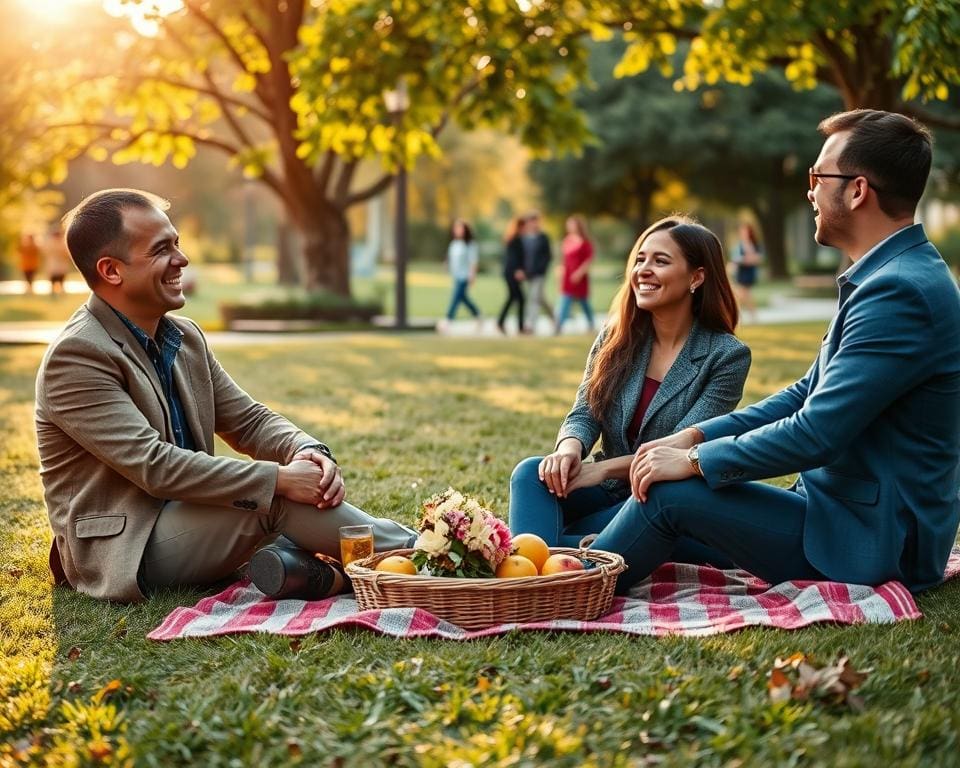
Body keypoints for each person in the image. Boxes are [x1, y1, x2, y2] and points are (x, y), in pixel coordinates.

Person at [592, 109, 960, 595]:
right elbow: (804, 394)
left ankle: (565, 586)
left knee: (670, 496)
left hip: (871, 542)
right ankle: (565, 553)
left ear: (857, 190)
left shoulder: (899, 291)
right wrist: (692, 437)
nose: (810, 190)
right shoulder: (888, 274)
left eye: (817, 176)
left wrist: (696, 460)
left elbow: (817, 433)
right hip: (839, 515)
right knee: (645, 501)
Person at [35, 189, 416, 603]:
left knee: (281, 512)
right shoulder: (77, 356)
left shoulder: (186, 337)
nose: (181, 259)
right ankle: (434, 555)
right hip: (125, 549)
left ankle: (321, 574)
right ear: (111, 270)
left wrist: (306, 450)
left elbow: (249, 420)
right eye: (162, 249)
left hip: (197, 519)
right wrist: (281, 479)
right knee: (274, 502)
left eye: (177, 243)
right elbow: (154, 466)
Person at [509, 216, 750, 552]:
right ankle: (569, 553)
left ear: (696, 277)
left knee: (544, 536)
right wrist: (568, 452)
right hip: (608, 491)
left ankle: (548, 554)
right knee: (530, 473)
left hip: (664, 496)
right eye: (640, 259)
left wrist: (600, 470)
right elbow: (585, 412)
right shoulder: (616, 336)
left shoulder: (726, 356)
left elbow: (675, 450)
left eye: (660, 261)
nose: (643, 270)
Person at [555, 214, 596, 334]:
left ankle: (591, 323)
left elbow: (588, 260)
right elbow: (564, 259)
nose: (569, 226)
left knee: (584, 302)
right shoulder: (567, 240)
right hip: (568, 276)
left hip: (580, 277)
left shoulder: (586, 242)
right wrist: (561, 270)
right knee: (565, 300)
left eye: (572, 224)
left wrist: (579, 273)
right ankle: (558, 326)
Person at [440, 218, 481, 331]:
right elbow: (450, 258)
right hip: (456, 275)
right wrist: (446, 265)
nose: (458, 230)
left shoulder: (470, 245)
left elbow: (473, 262)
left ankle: (448, 320)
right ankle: (478, 314)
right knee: (463, 298)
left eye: (460, 228)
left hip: (464, 276)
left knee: (456, 298)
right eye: (456, 228)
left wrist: (472, 276)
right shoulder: (454, 244)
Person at [521, 211, 553, 333]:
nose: (533, 224)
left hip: (539, 274)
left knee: (533, 298)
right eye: (530, 222)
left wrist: (541, 269)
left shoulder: (543, 238)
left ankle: (530, 326)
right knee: (540, 298)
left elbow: (548, 256)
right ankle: (555, 318)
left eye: (535, 221)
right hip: (528, 274)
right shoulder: (525, 238)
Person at [496, 216, 527, 335]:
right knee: (520, 299)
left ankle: (501, 322)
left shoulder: (516, 239)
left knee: (512, 298)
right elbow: (513, 258)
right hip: (512, 273)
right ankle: (519, 327)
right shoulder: (515, 240)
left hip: (511, 272)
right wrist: (518, 270)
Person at [731, 222, 762, 322]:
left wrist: (746, 259)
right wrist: (747, 259)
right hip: (741, 273)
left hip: (749, 273)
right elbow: (736, 259)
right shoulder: (740, 245)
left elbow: (757, 259)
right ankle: (750, 316)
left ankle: (742, 316)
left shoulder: (754, 244)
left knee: (744, 295)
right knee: (743, 295)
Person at [43, 223, 72, 297]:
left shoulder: (52, 243)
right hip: (57, 267)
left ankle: (57, 295)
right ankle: (57, 295)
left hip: (56, 267)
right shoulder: (62, 243)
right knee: (57, 283)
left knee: (58, 282)